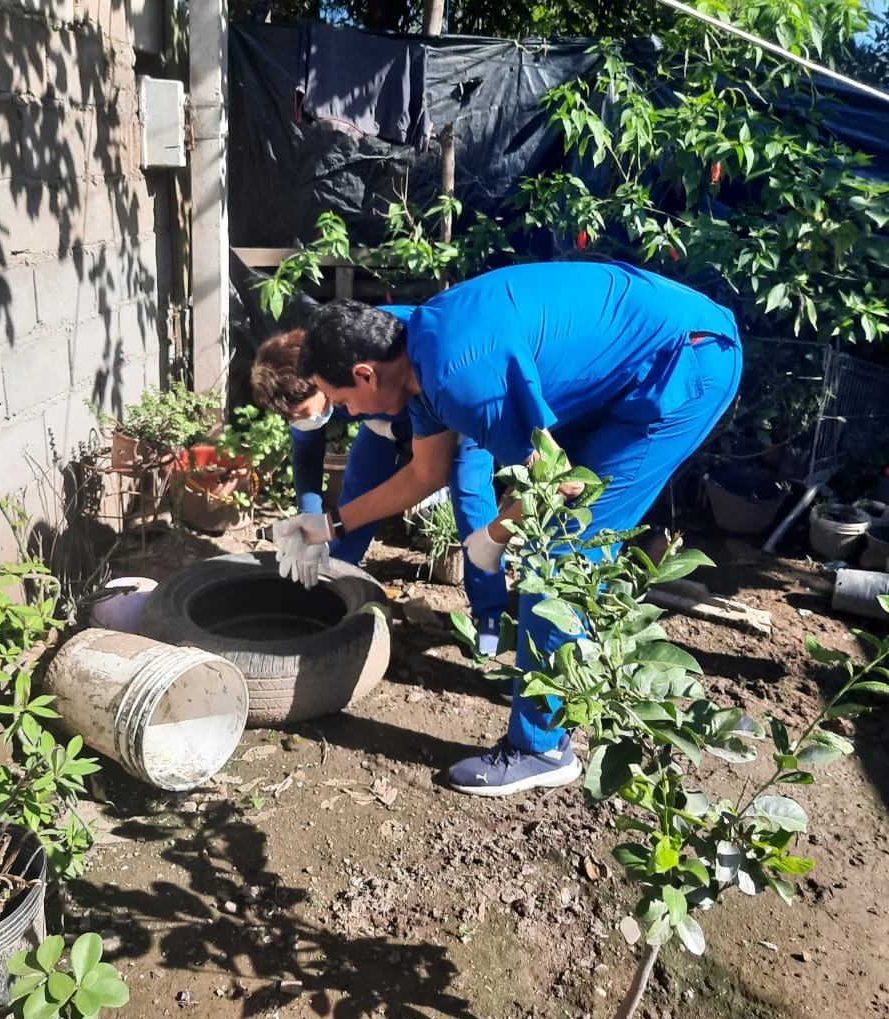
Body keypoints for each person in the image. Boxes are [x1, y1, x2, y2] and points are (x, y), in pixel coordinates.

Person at [269, 260, 743, 798]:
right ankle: (552, 675)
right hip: (649, 340)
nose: (345, 413)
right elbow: (425, 473)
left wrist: (491, 535)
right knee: (554, 550)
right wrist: (326, 525)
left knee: (561, 555)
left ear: (364, 375)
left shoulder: (458, 376)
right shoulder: (414, 353)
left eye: (341, 401)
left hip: (685, 362)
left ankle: (541, 748)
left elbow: (558, 484)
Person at [249, 324, 507, 654]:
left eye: (298, 413)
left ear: (319, 384)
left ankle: (491, 625)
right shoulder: (316, 387)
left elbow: (428, 471)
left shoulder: (361, 364)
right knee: (355, 499)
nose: (296, 422)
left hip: (449, 418)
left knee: (474, 512)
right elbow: (306, 456)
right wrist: (312, 521)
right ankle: (332, 593)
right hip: (385, 424)